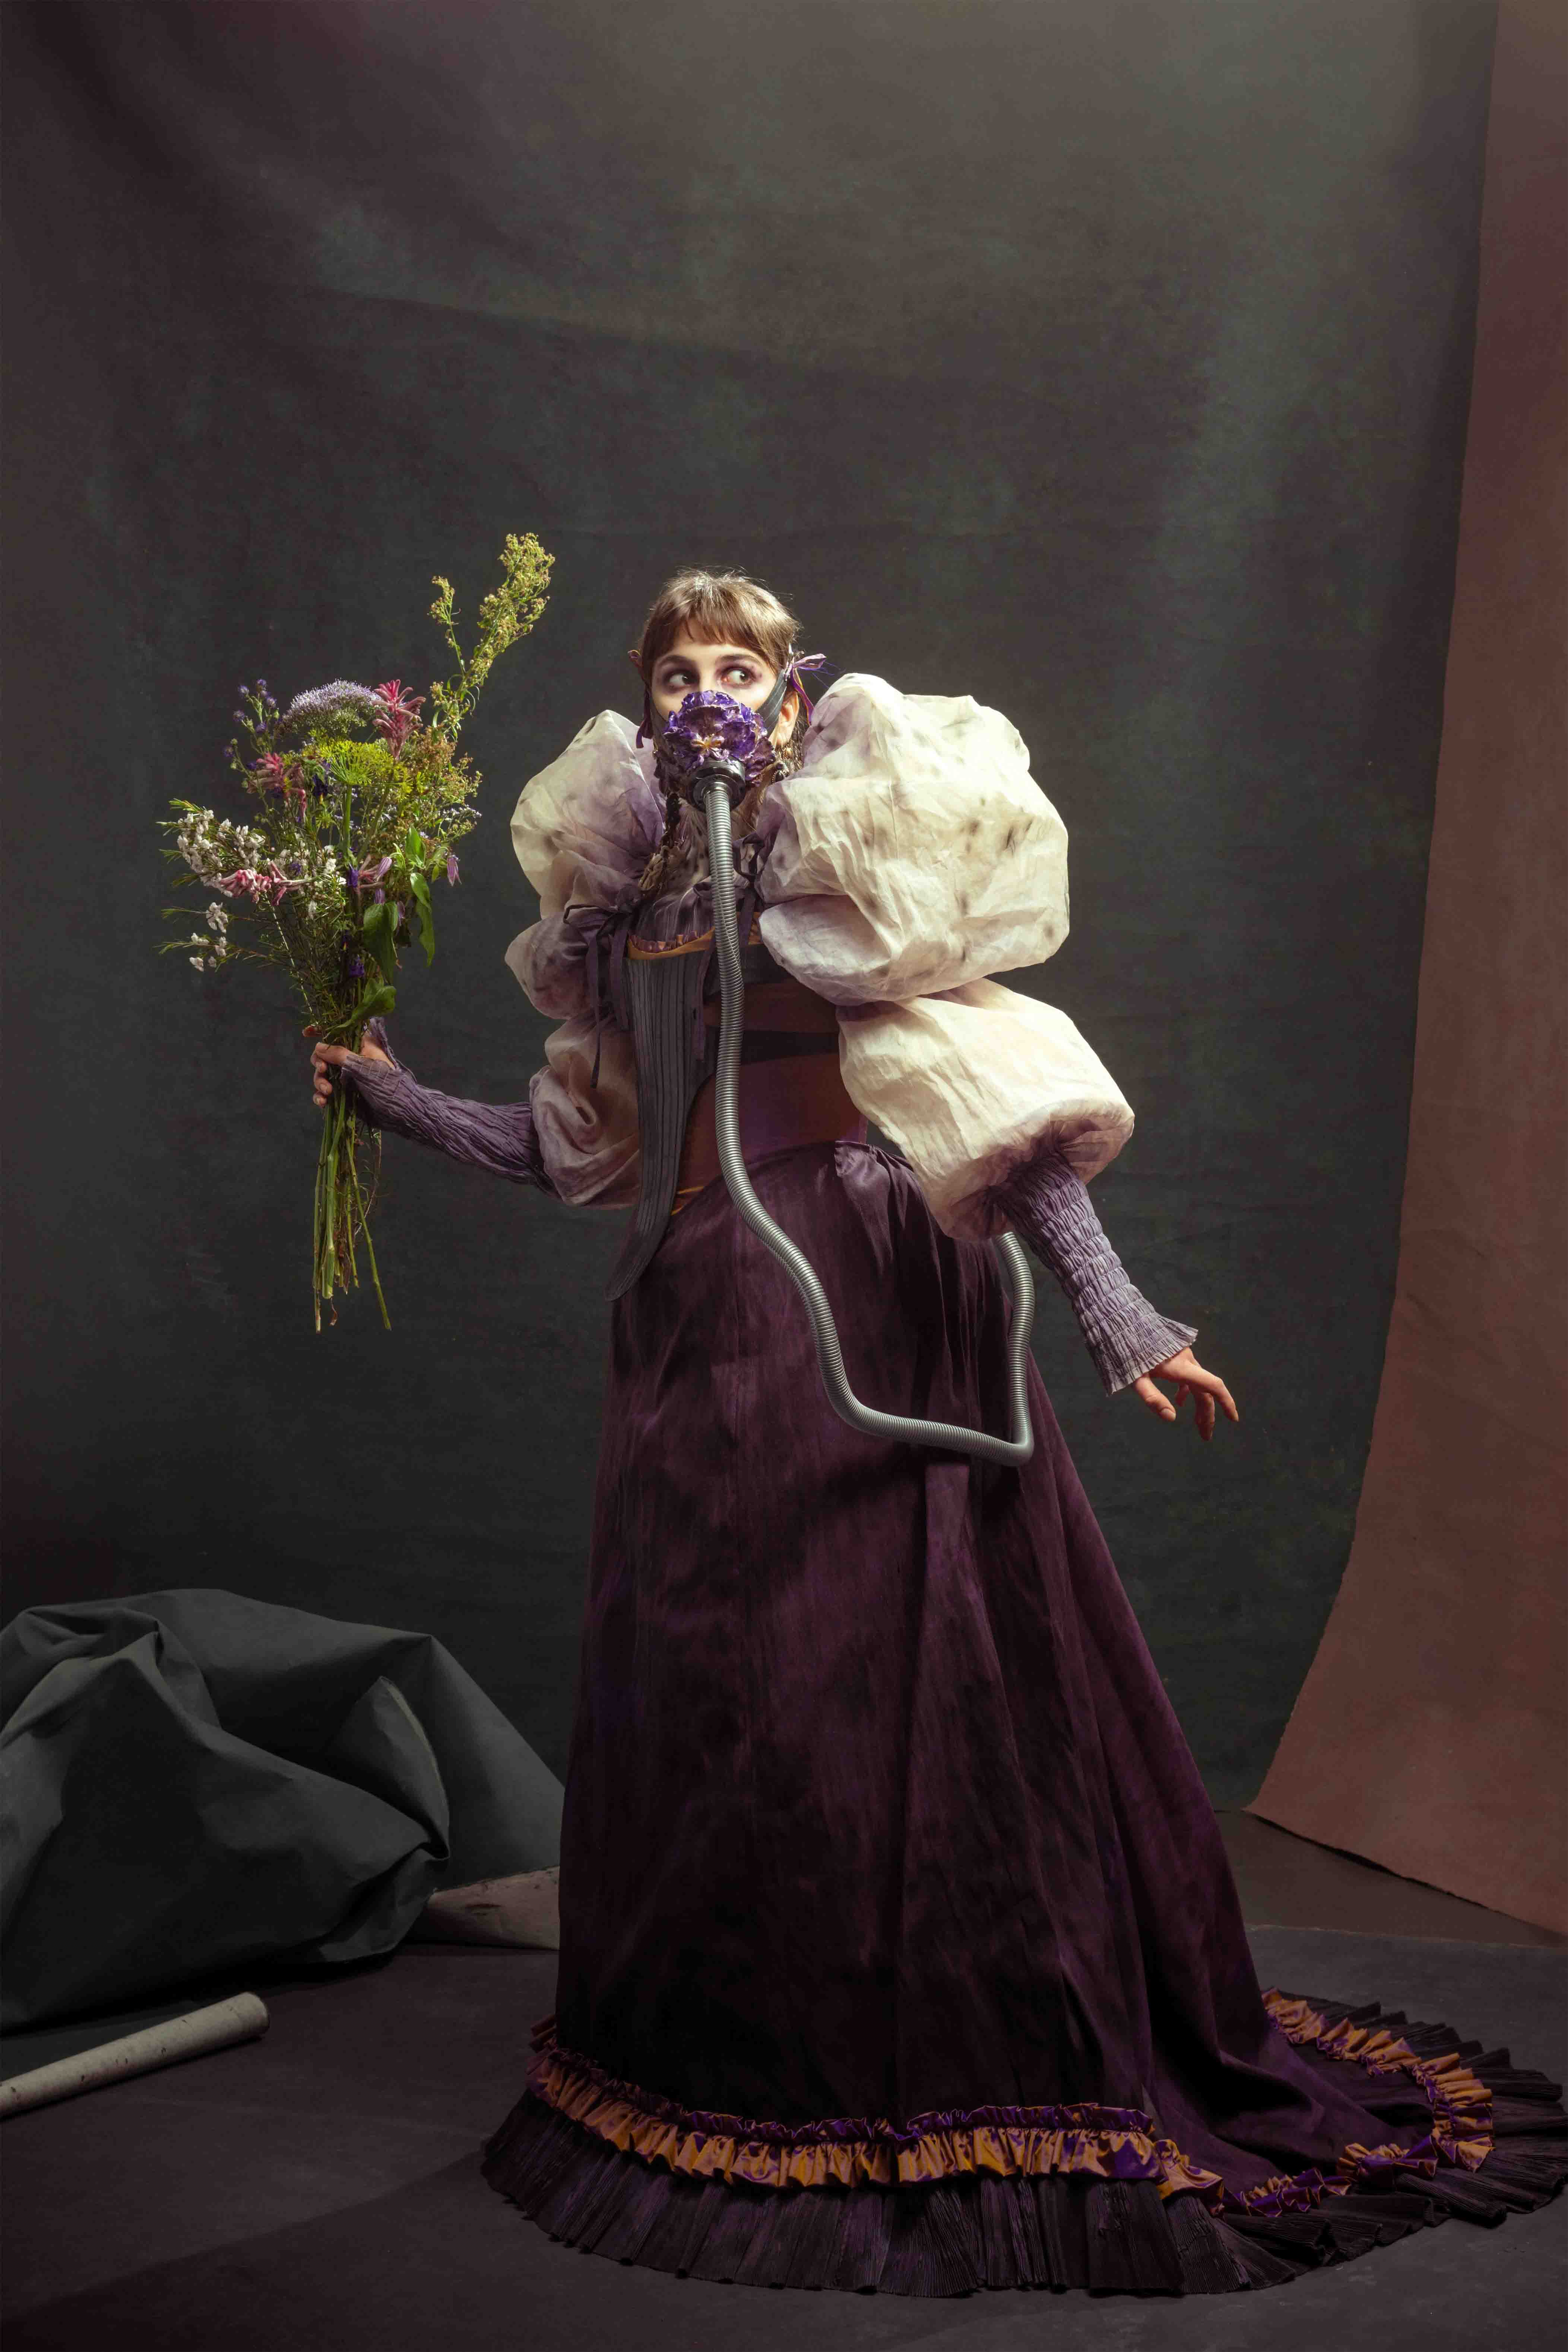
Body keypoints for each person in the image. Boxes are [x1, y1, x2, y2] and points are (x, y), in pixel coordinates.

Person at [311, 570, 1565, 2297]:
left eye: (735, 666)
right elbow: (581, 1141)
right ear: (646, 700)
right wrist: (384, 1097)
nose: (702, 694)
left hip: (858, 1286)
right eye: (674, 671)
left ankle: (935, 2046)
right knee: (717, 1679)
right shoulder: (628, 905)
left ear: (787, 692)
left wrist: (1123, 1318)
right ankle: (736, 2051)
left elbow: (992, 1102)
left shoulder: (837, 864)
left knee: (872, 1666)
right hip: (691, 1304)